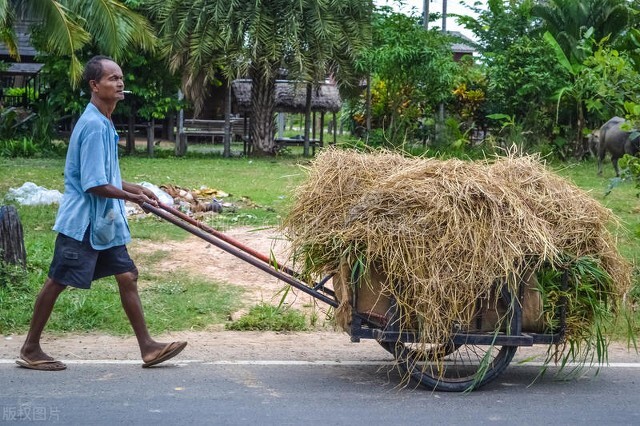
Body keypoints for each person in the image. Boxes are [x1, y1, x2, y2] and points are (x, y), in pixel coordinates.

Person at [16, 55, 187, 371]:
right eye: (112, 78)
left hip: (103, 223)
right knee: (57, 280)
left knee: (127, 275)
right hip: (83, 222)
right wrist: (131, 198)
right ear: (95, 85)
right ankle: (30, 348)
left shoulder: (103, 121)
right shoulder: (94, 125)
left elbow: (103, 175)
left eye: (120, 77)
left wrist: (137, 189)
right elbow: (94, 185)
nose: (119, 83)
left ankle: (148, 347)